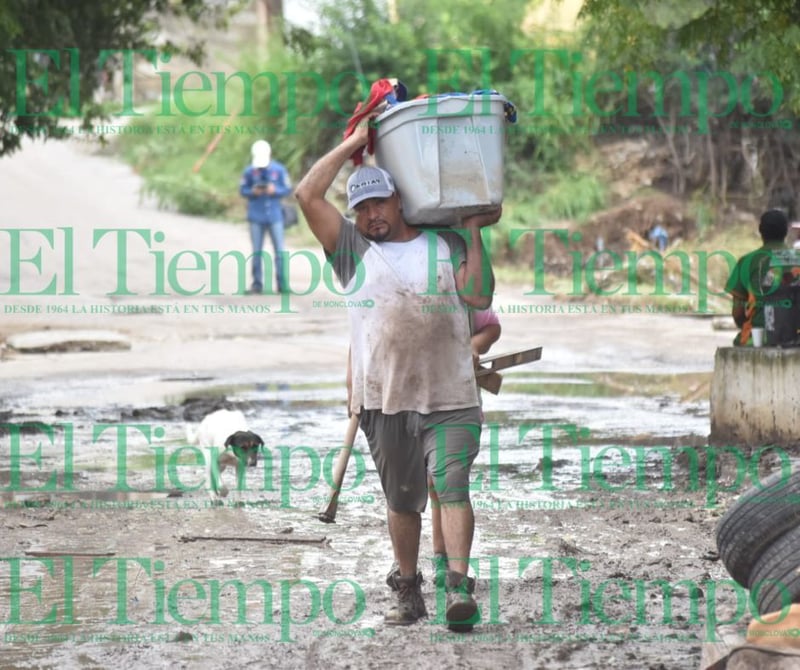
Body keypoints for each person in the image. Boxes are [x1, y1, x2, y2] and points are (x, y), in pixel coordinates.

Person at [295, 121, 500, 631]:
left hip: (452, 394)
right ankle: (408, 589)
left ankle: (457, 587)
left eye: (379, 203)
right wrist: (353, 143)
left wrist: (473, 232)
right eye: (360, 208)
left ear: (400, 201)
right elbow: (306, 193)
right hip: (384, 401)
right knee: (402, 500)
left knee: (452, 485)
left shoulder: (447, 242)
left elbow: (480, 298)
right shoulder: (351, 252)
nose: (370, 215)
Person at [725, 209, 789, 346]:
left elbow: (737, 313)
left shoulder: (747, 262)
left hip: (757, 339)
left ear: (761, 231)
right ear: (786, 231)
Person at [239, 140, 292, 294]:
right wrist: (252, 192)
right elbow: (242, 190)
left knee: (279, 252)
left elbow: (288, 189)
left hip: (275, 215)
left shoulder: (279, 170)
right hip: (256, 215)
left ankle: (282, 285)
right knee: (256, 251)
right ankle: (257, 284)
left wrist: (275, 190)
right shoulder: (249, 171)